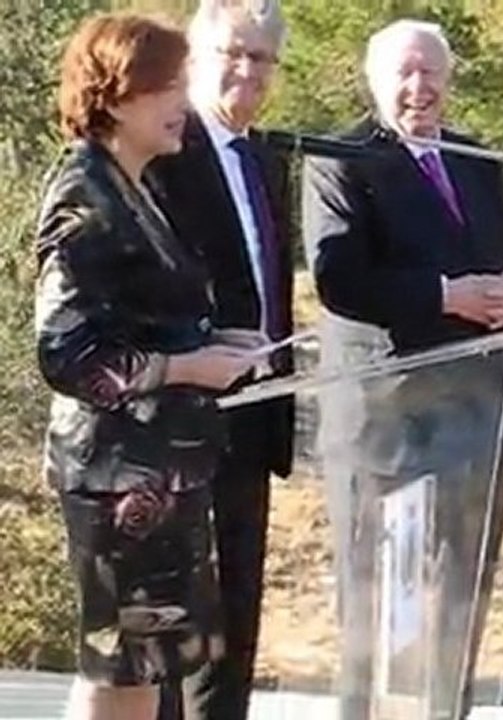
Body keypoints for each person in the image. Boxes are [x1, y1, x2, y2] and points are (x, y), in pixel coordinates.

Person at [302, 18, 503, 720]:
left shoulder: (474, 158)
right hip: (389, 429)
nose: (420, 87)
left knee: (460, 602)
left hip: (482, 420)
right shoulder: (340, 157)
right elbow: (341, 280)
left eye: (432, 72)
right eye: (405, 73)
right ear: (375, 81)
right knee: (377, 614)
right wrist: (450, 296)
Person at [35, 14, 259, 720]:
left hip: (163, 472)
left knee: (148, 672)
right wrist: (190, 367)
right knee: (122, 673)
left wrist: (219, 341)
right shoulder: (84, 192)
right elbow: (69, 355)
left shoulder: (135, 188)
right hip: (118, 480)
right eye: (166, 86)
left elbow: (139, 317)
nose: (182, 104)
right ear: (115, 92)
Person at [147, 2, 294, 719]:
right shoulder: (166, 156)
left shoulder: (264, 157)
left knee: (237, 627)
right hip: (177, 423)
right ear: (195, 58)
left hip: (253, 420)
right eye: (232, 53)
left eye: (261, 57)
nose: (247, 70)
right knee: (181, 638)